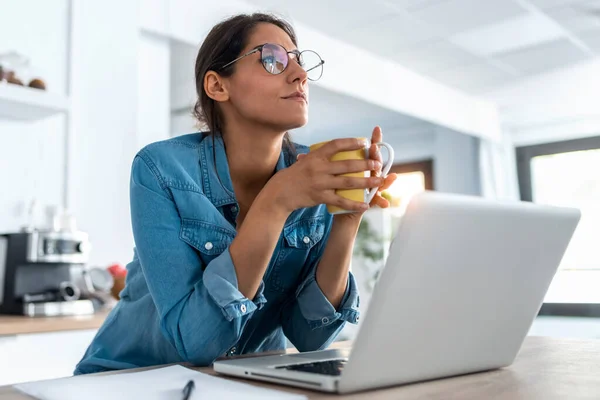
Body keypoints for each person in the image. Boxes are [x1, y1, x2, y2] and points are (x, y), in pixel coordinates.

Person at [74, 12, 397, 374]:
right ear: (217, 86)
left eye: (300, 62)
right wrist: (276, 200)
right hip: (130, 379)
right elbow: (197, 344)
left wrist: (347, 218)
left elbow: (310, 337)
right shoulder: (160, 169)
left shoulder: (310, 171)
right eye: (273, 59)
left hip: (242, 381)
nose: (300, 75)